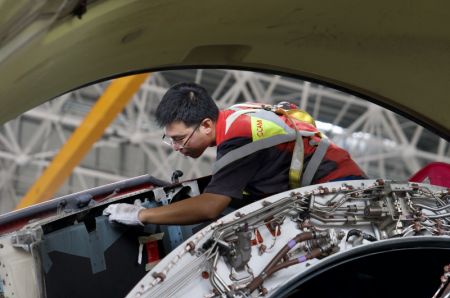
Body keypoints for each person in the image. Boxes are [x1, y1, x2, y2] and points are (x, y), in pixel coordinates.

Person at [103, 82, 366, 226]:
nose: (176, 148)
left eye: (180, 139)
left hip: (340, 190)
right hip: (333, 184)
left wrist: (141, 215)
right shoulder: (237, 113)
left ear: (206, 124)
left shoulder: (240, 137)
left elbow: (209, 207)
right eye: (170, 139)